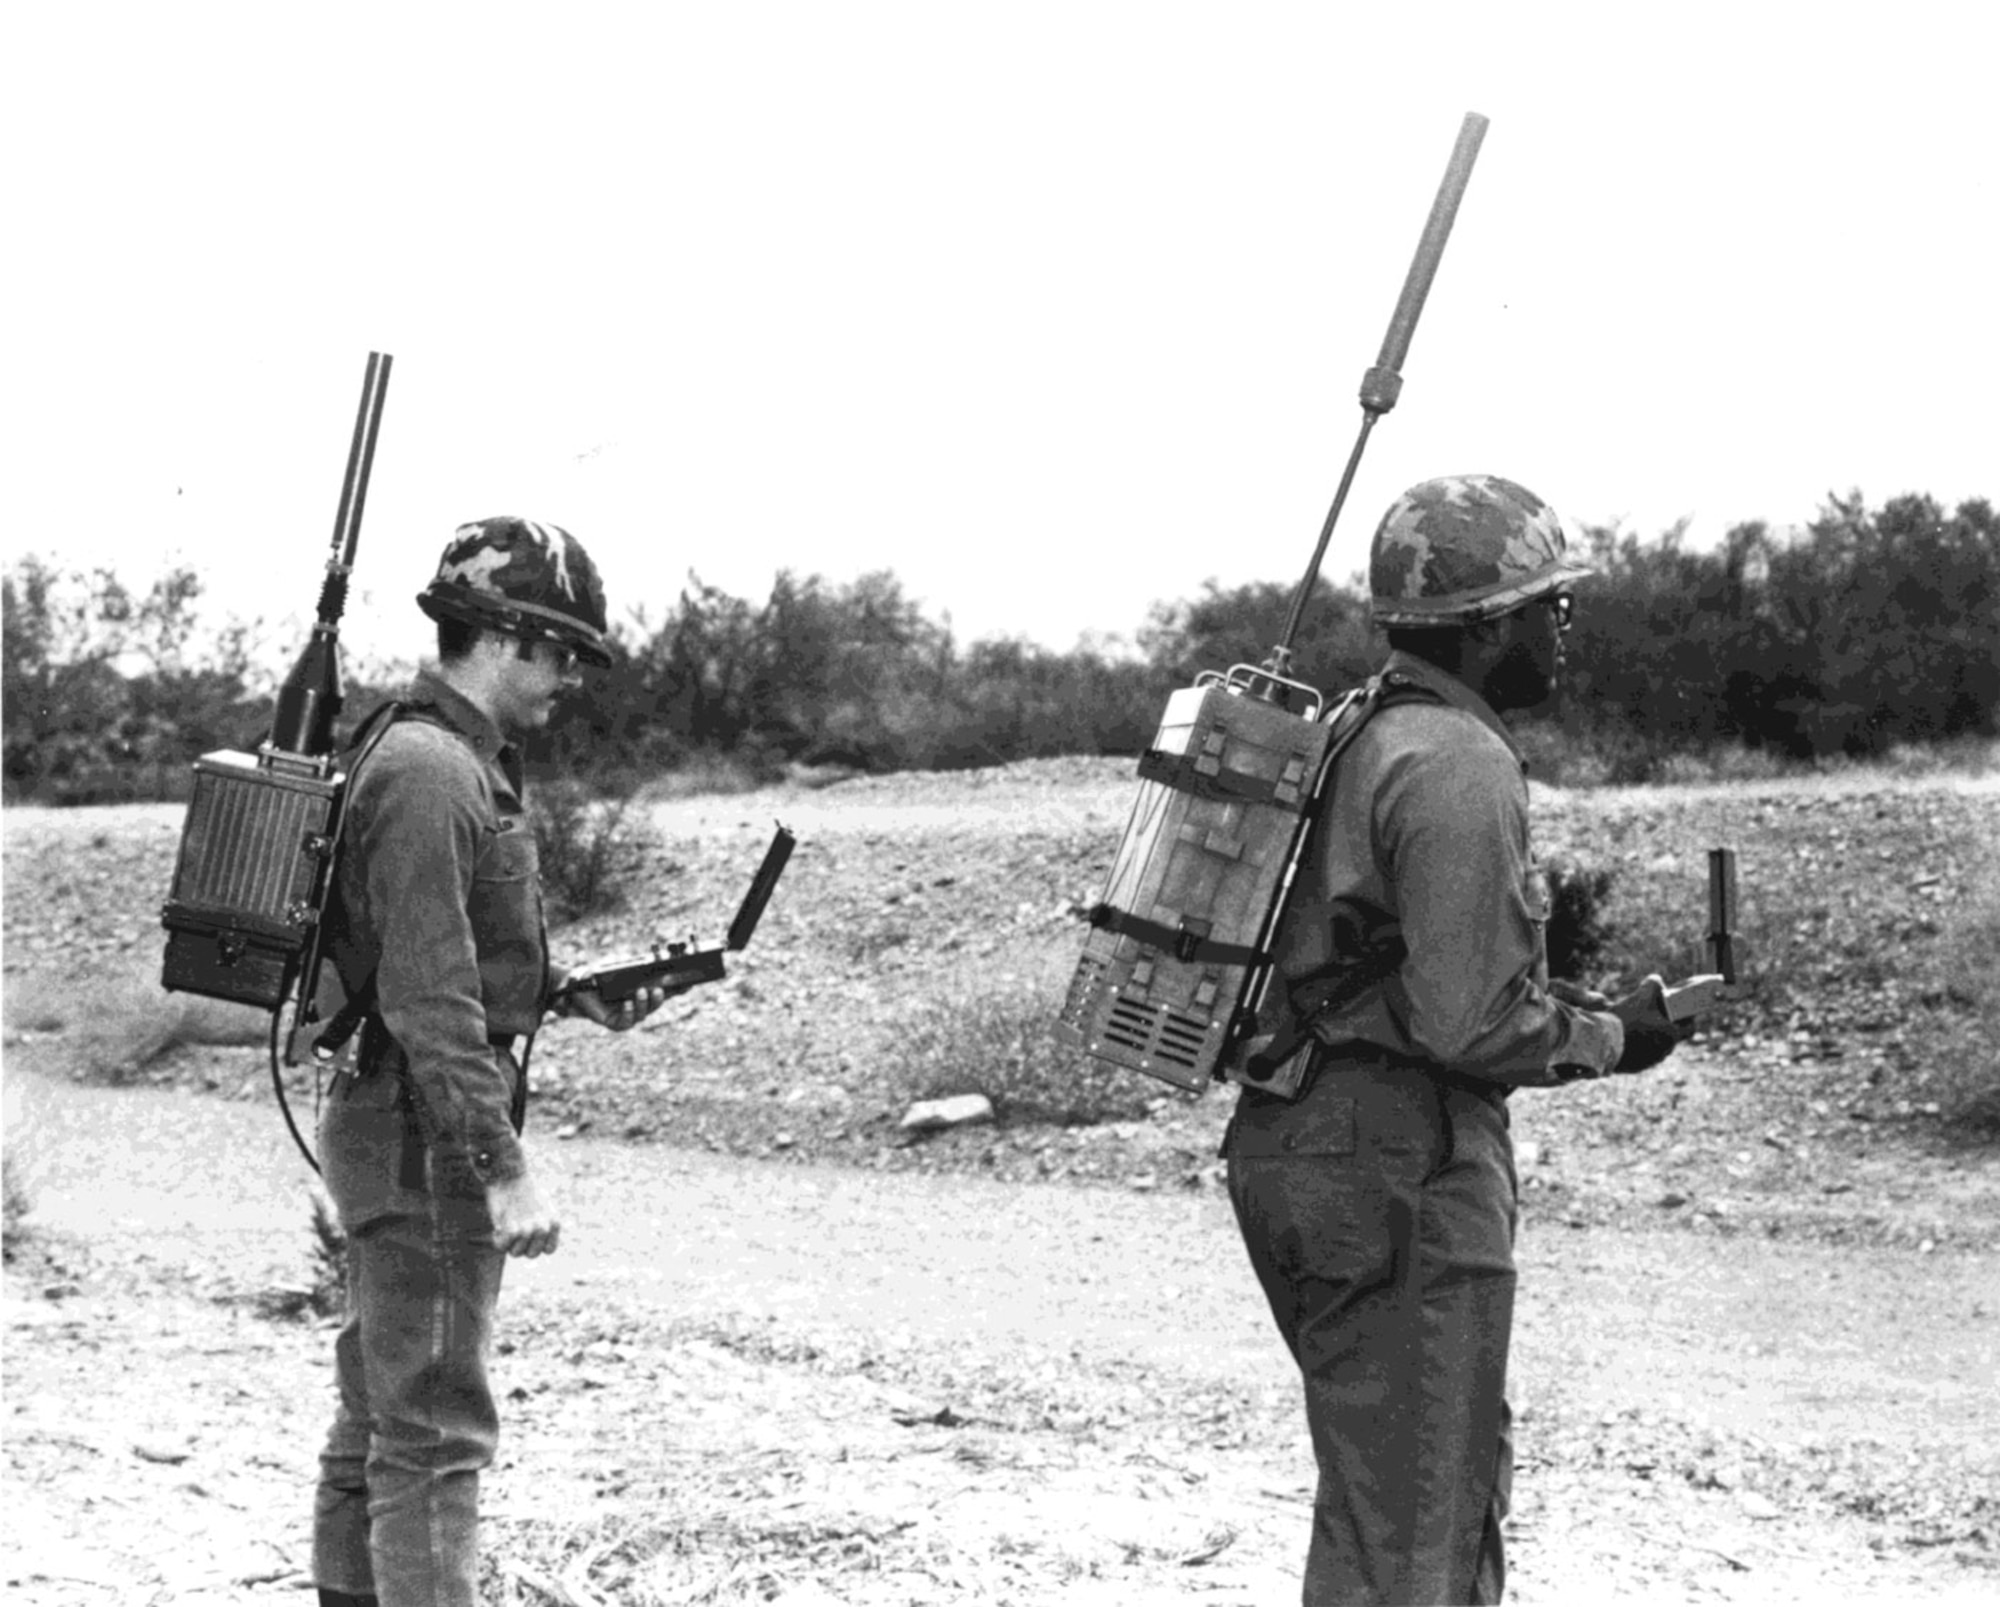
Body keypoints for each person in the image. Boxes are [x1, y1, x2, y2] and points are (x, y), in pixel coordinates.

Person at [1222, 474, 1684, 1605]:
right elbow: (1467, 1020)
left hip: (1298, 1140)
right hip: (1396, 1166)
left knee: (1380, 1512)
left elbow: (1395, 960)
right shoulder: (1455, 761)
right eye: (1546, 609)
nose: (1559, 634)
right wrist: (1612, 1035)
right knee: (1424, 1534)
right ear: (1485, 628)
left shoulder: (1354, 727)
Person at [309, 517, 686, 1607]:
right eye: (562, 651)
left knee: (384, 1411)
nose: (570, 676)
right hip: (423, 1128)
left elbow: (448, 967)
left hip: (402, 1113)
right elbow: (431, 1004)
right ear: (506, 637)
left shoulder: (447, 759)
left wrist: (564, 998)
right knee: (433, 1427)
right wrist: (502, 1166)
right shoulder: (432, 770)